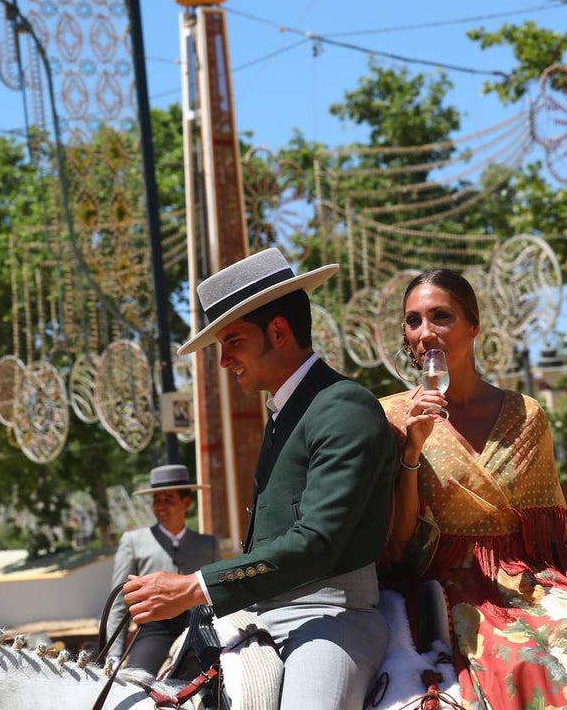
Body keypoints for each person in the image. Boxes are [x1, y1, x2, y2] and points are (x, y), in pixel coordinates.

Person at [382, 268, 567, 710]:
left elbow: (549, 539)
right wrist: (410, 451)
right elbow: (398, 542)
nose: (425, 333)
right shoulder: (390, 417)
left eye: (441, 317)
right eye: (413, 320)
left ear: (473, 325)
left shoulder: (526, 414)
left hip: (531, 578)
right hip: (444, 583)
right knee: (527, 664)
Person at [122, 248, 398, 710]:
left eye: (233, 342)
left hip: (333, 616)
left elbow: (316, 543)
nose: (225, 360)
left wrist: (194, 586)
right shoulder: (284, 413)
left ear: (278, 331)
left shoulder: (343, 406)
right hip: (262, 614)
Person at [106, 464, 218, 674]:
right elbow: (119, 603)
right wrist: (113, 653)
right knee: (135, 684)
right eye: (157, 500)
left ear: (186, 503)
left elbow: (217, 590)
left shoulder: (207, 543)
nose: (160, 507)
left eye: (168, 500)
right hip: (155, 630)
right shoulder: (133, 541)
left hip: (201, 627)